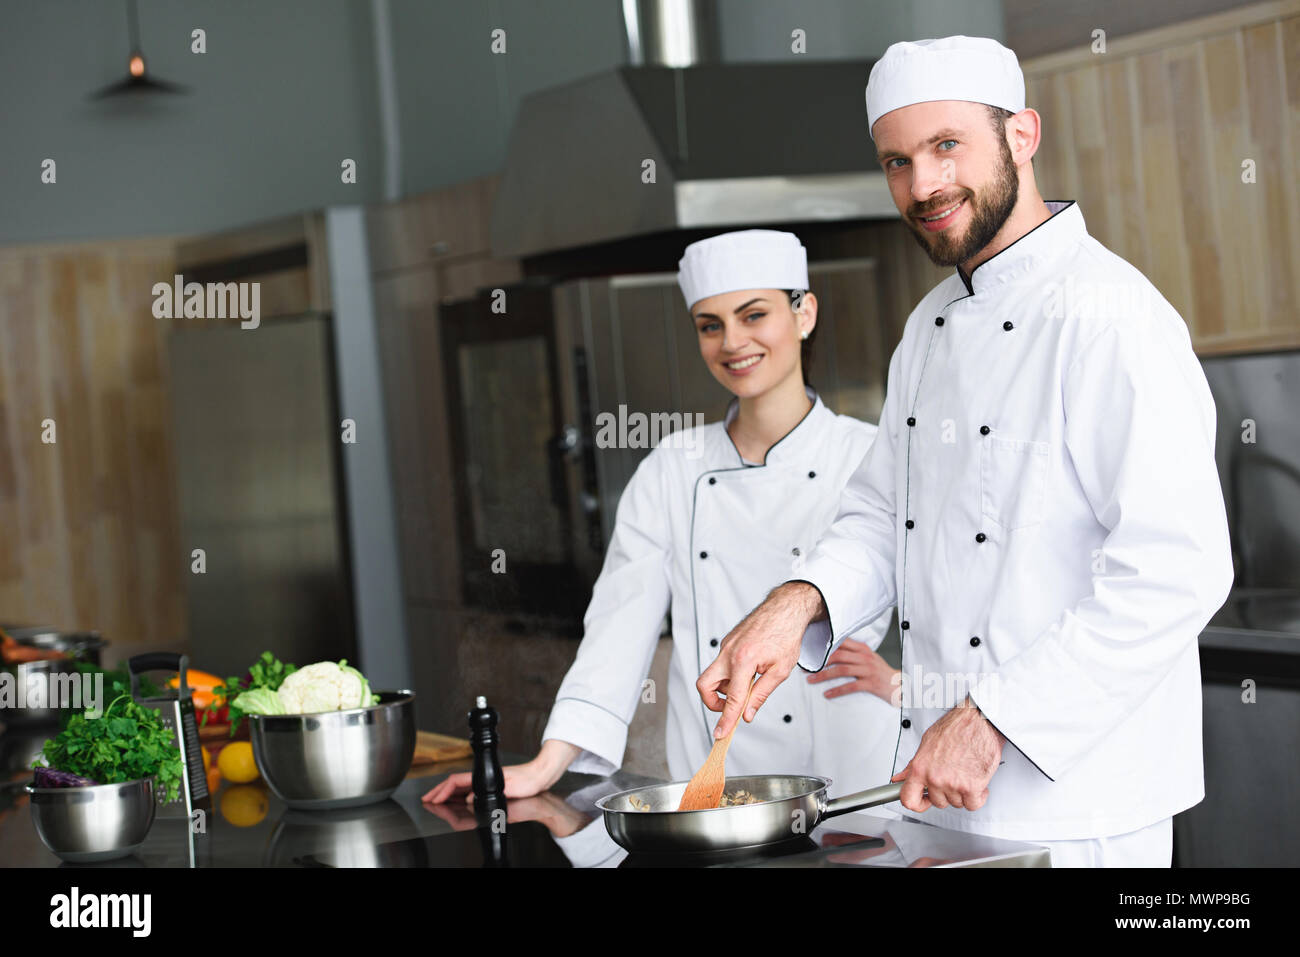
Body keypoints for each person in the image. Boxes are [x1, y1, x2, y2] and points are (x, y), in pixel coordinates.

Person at [697, 37, 1234, 868]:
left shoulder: (1112, 316)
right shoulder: (927, 329)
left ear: (1022, 135)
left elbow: (1176, 569)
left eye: (948, 146)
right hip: (936, 796)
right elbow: (883, 515)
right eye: (897, 161)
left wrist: (994, 719)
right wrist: (798, 601)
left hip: (1077, 806)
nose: (922, 186)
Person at [425, 229, 902, 809]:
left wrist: (905, 685)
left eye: (754, 315)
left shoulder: (871, 454)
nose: (733, 342)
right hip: (716, 780)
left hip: (849, 771)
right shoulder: (673, 468)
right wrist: (549, 764)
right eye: (710, 324)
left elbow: (953, 604)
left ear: (804, 314)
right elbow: (619, 626)